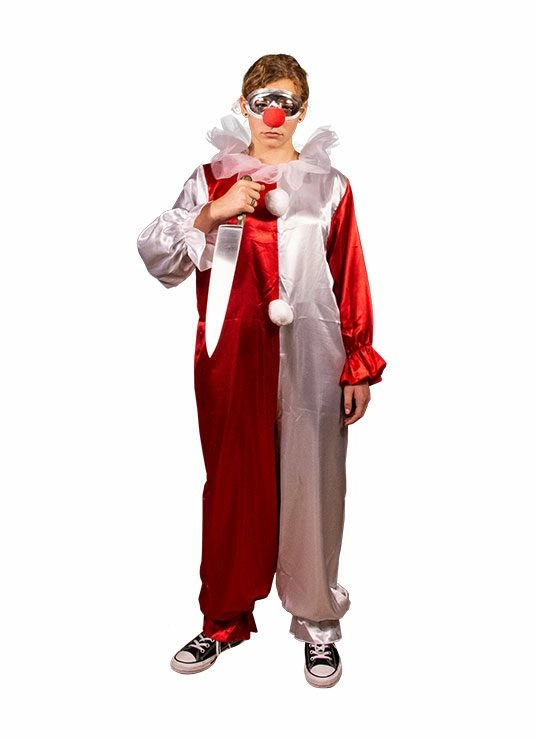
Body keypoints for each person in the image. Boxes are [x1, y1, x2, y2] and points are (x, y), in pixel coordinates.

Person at [137, 53, 386, 688]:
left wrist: (358, 363)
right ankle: (222, 618)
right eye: (261, 101)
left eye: (287, 103)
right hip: (231, 354)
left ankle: (318, 622)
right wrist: (213, 213)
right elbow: (160, 259)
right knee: (232, 483)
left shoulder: (331, 186)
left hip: (313, 356)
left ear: (303, 111)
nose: (274, 116)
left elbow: (349, 273)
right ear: (243, 105)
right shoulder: (210, 178)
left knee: (315, 483)